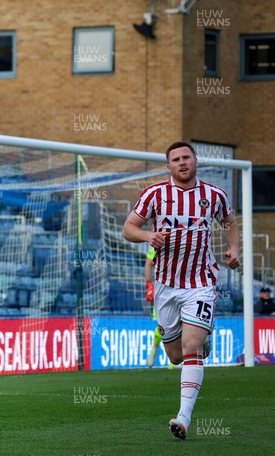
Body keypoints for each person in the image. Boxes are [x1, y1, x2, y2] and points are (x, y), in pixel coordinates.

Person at [122, 141, 240, 440]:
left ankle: (183, 418)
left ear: (196, 161)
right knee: (175, 356)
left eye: (187, 157)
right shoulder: (154, 194)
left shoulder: (214, 195)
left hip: (200, 282)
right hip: (165, 285)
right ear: (168, 166)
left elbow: (228, 221)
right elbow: (129, 228)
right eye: (176, 159)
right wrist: (148, 234)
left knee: (191, 348)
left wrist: (234, 249)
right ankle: (201, 340)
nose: (182, 162)